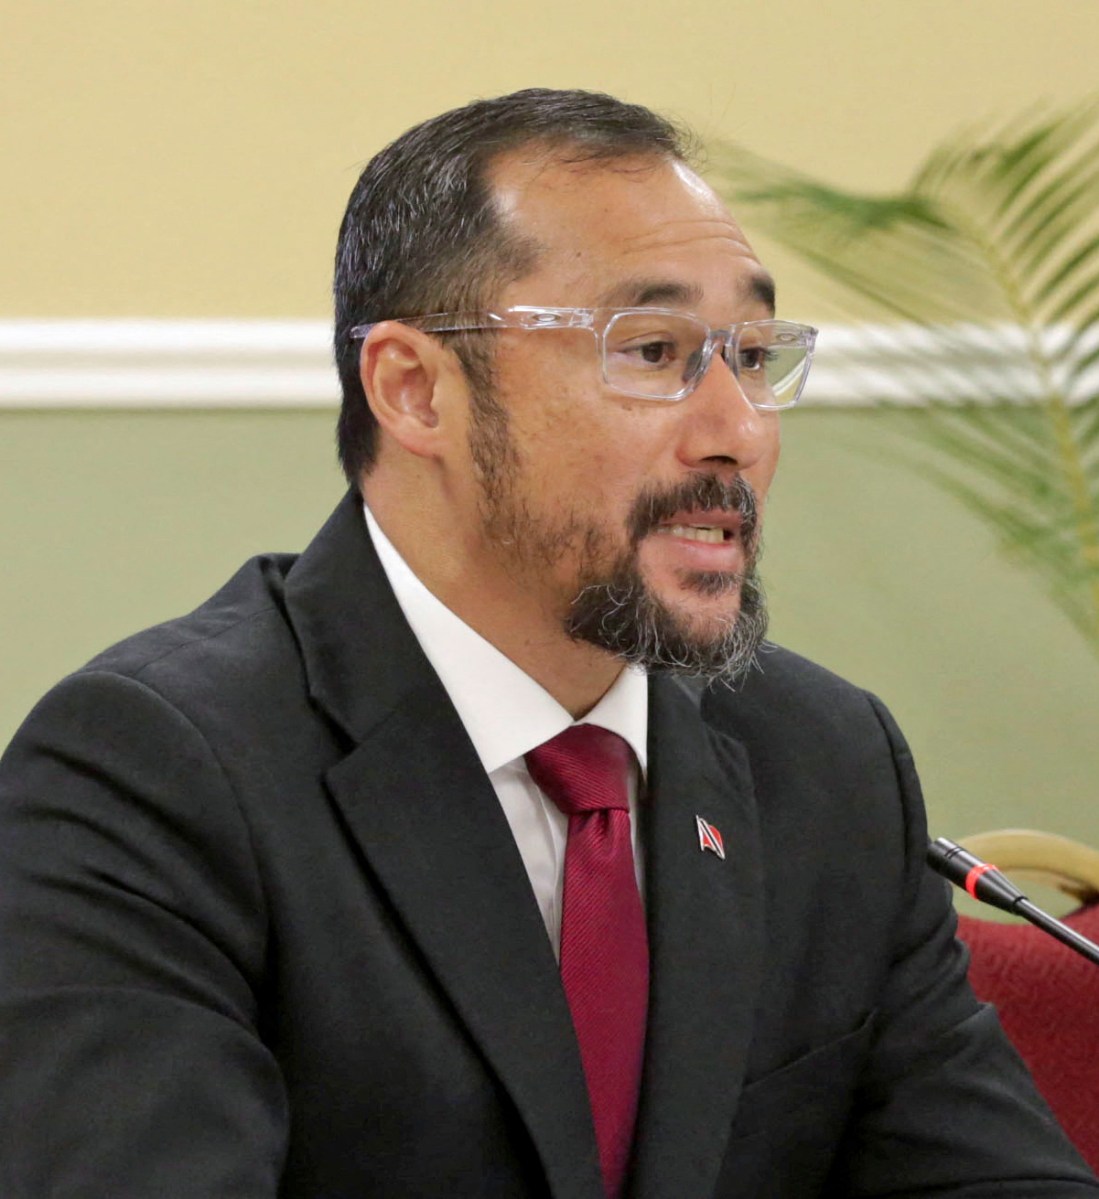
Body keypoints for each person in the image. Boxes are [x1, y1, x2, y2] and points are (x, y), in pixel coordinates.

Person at [0, 88, 1094, 1199]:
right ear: (415, 390)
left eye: (754, 355)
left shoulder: (822, 757)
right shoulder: (150, 772)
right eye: (654, 349)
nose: (740, 431)